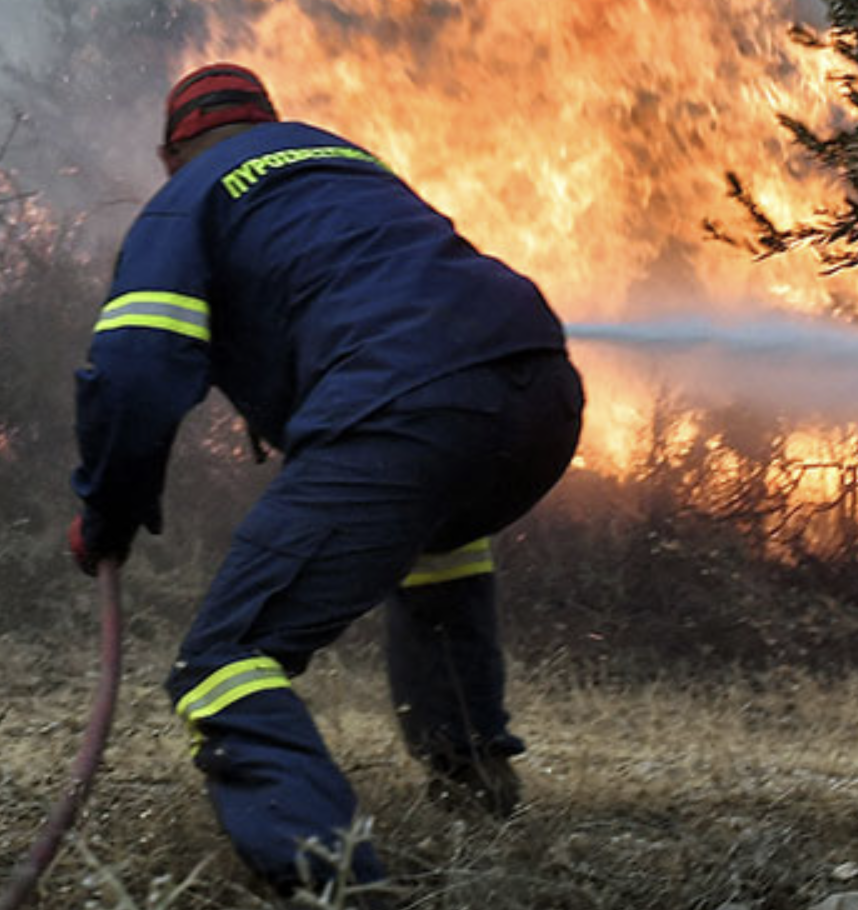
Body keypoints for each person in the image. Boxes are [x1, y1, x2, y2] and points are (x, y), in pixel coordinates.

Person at [67, 63, 584, 896]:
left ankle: (333, 887)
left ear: (173, 152)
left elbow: (135, 366)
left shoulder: (190, 195)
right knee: (437, 544)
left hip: (404, 406)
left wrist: (108, 510)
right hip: (544, 395)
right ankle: (476, 798)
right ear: (269, 122)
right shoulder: (344, 162)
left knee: (224, 662)